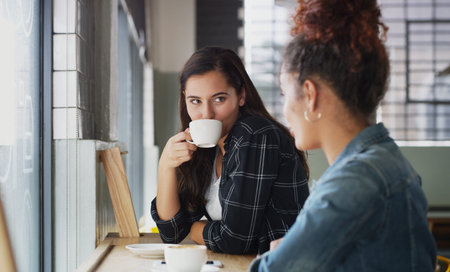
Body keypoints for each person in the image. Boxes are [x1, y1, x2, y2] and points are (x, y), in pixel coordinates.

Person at [250, 0, 437, 270]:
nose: (284, 109)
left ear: (311, 95)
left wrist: (278, 254)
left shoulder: (356, 181)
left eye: (284, 93)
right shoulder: (384, 162)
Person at [151, 47, 310, 254]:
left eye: (219, 99)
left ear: (241, 95)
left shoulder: (254, 135)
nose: (206, 113)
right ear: (185, 99)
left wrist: (195, 229)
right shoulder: (208, 149)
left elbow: (234, 241)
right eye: (195, 101)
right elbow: (171, 233)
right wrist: (165, 167)